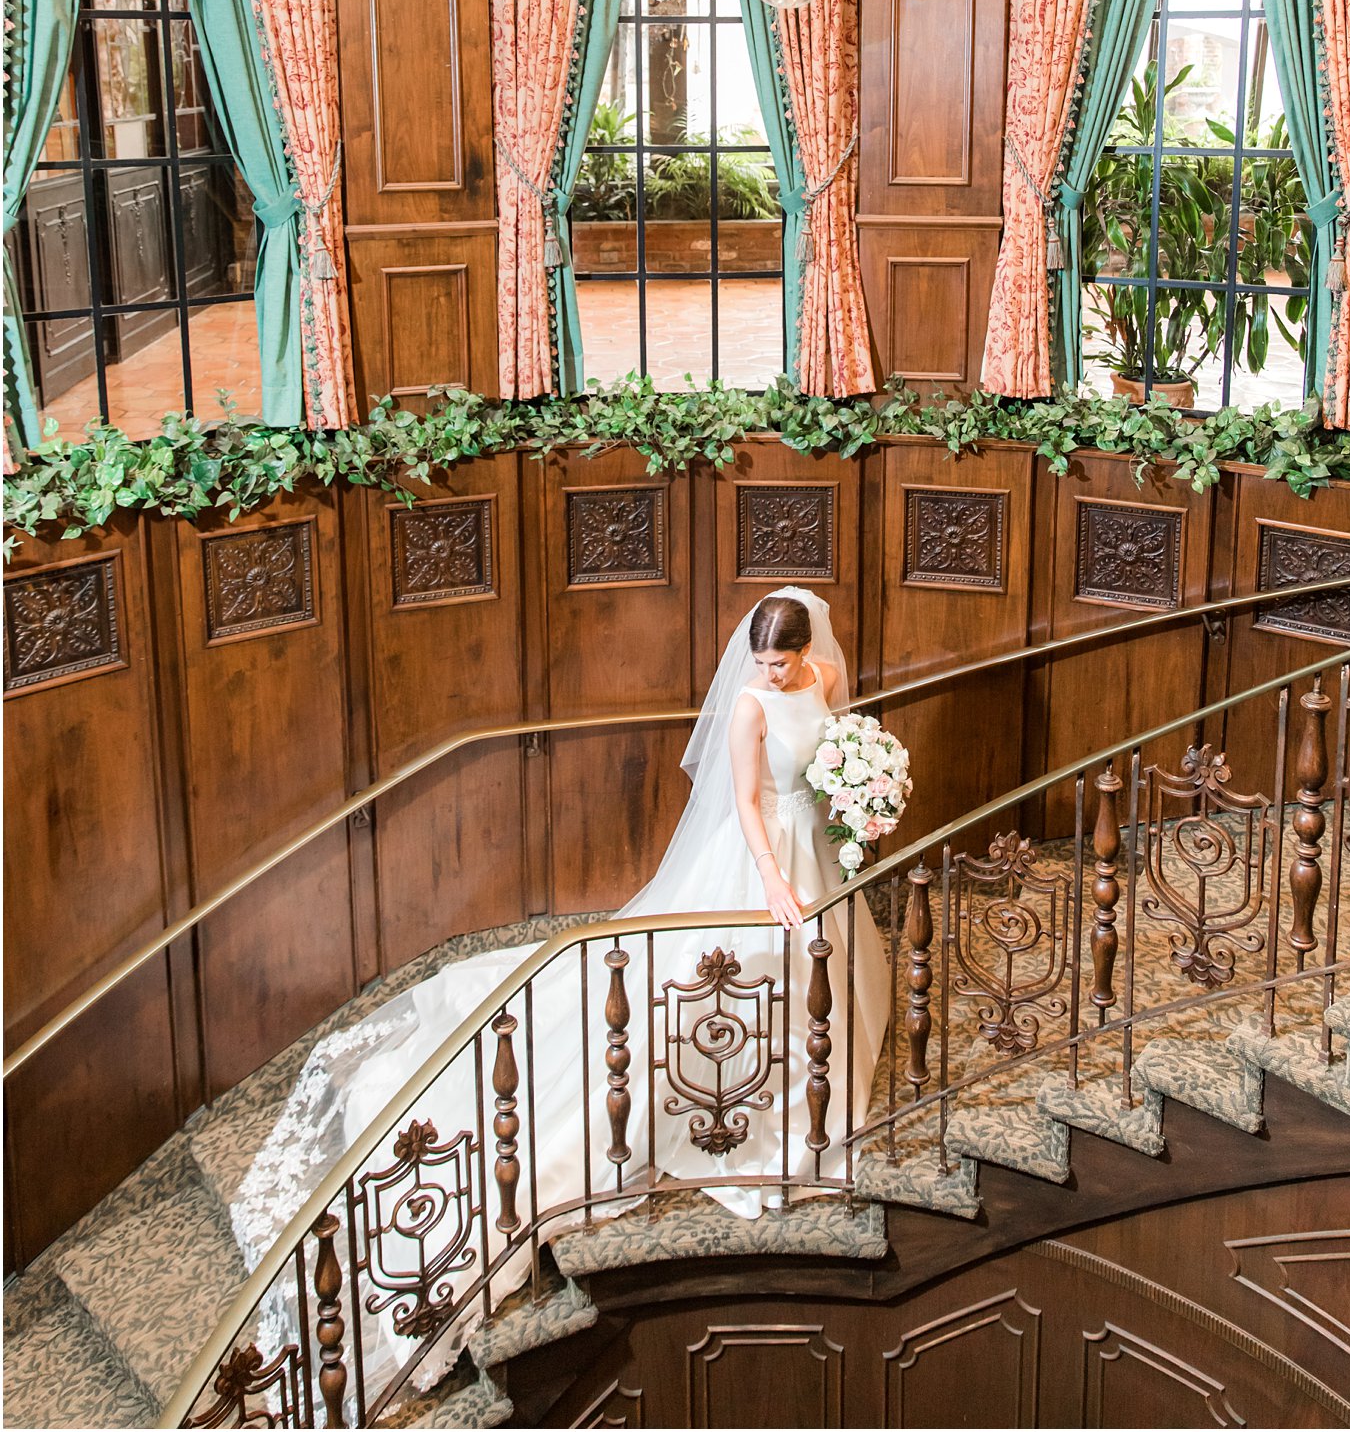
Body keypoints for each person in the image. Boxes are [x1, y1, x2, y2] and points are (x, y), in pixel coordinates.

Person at [231, 588, 892, 1394]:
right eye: (757, 659)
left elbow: (834, 752)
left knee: (821, 971)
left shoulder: (821, 675)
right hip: (763, 860)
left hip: (815, 845)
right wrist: (772, 877)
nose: (766, 669)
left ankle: (803, 1085)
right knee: (720, 979)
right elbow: (750, 807)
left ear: (802, 651)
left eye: (777, 659)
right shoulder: (752, 706)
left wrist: (860, 798)